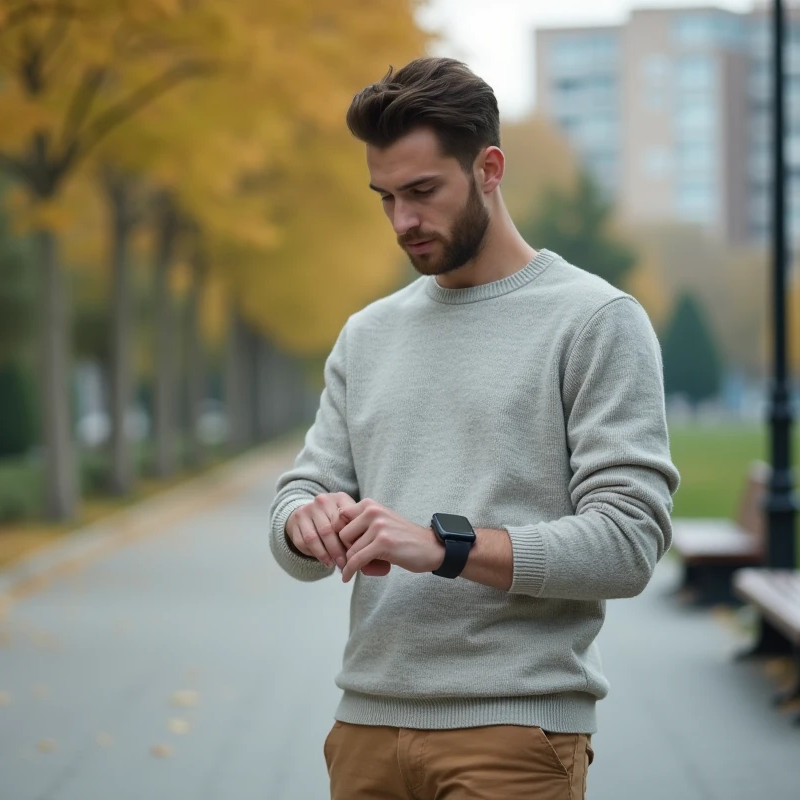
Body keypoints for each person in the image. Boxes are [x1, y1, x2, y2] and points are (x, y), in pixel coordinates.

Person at [267, 57, 680, 800]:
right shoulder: (367, 334)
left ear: (489, 168)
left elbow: (628, 543)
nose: (402, 222)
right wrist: (306, 521)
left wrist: (442, 546)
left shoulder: (594, 321)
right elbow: (301, 492)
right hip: (363, 727)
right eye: (385, 198)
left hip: (513, 733)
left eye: (422, 192)